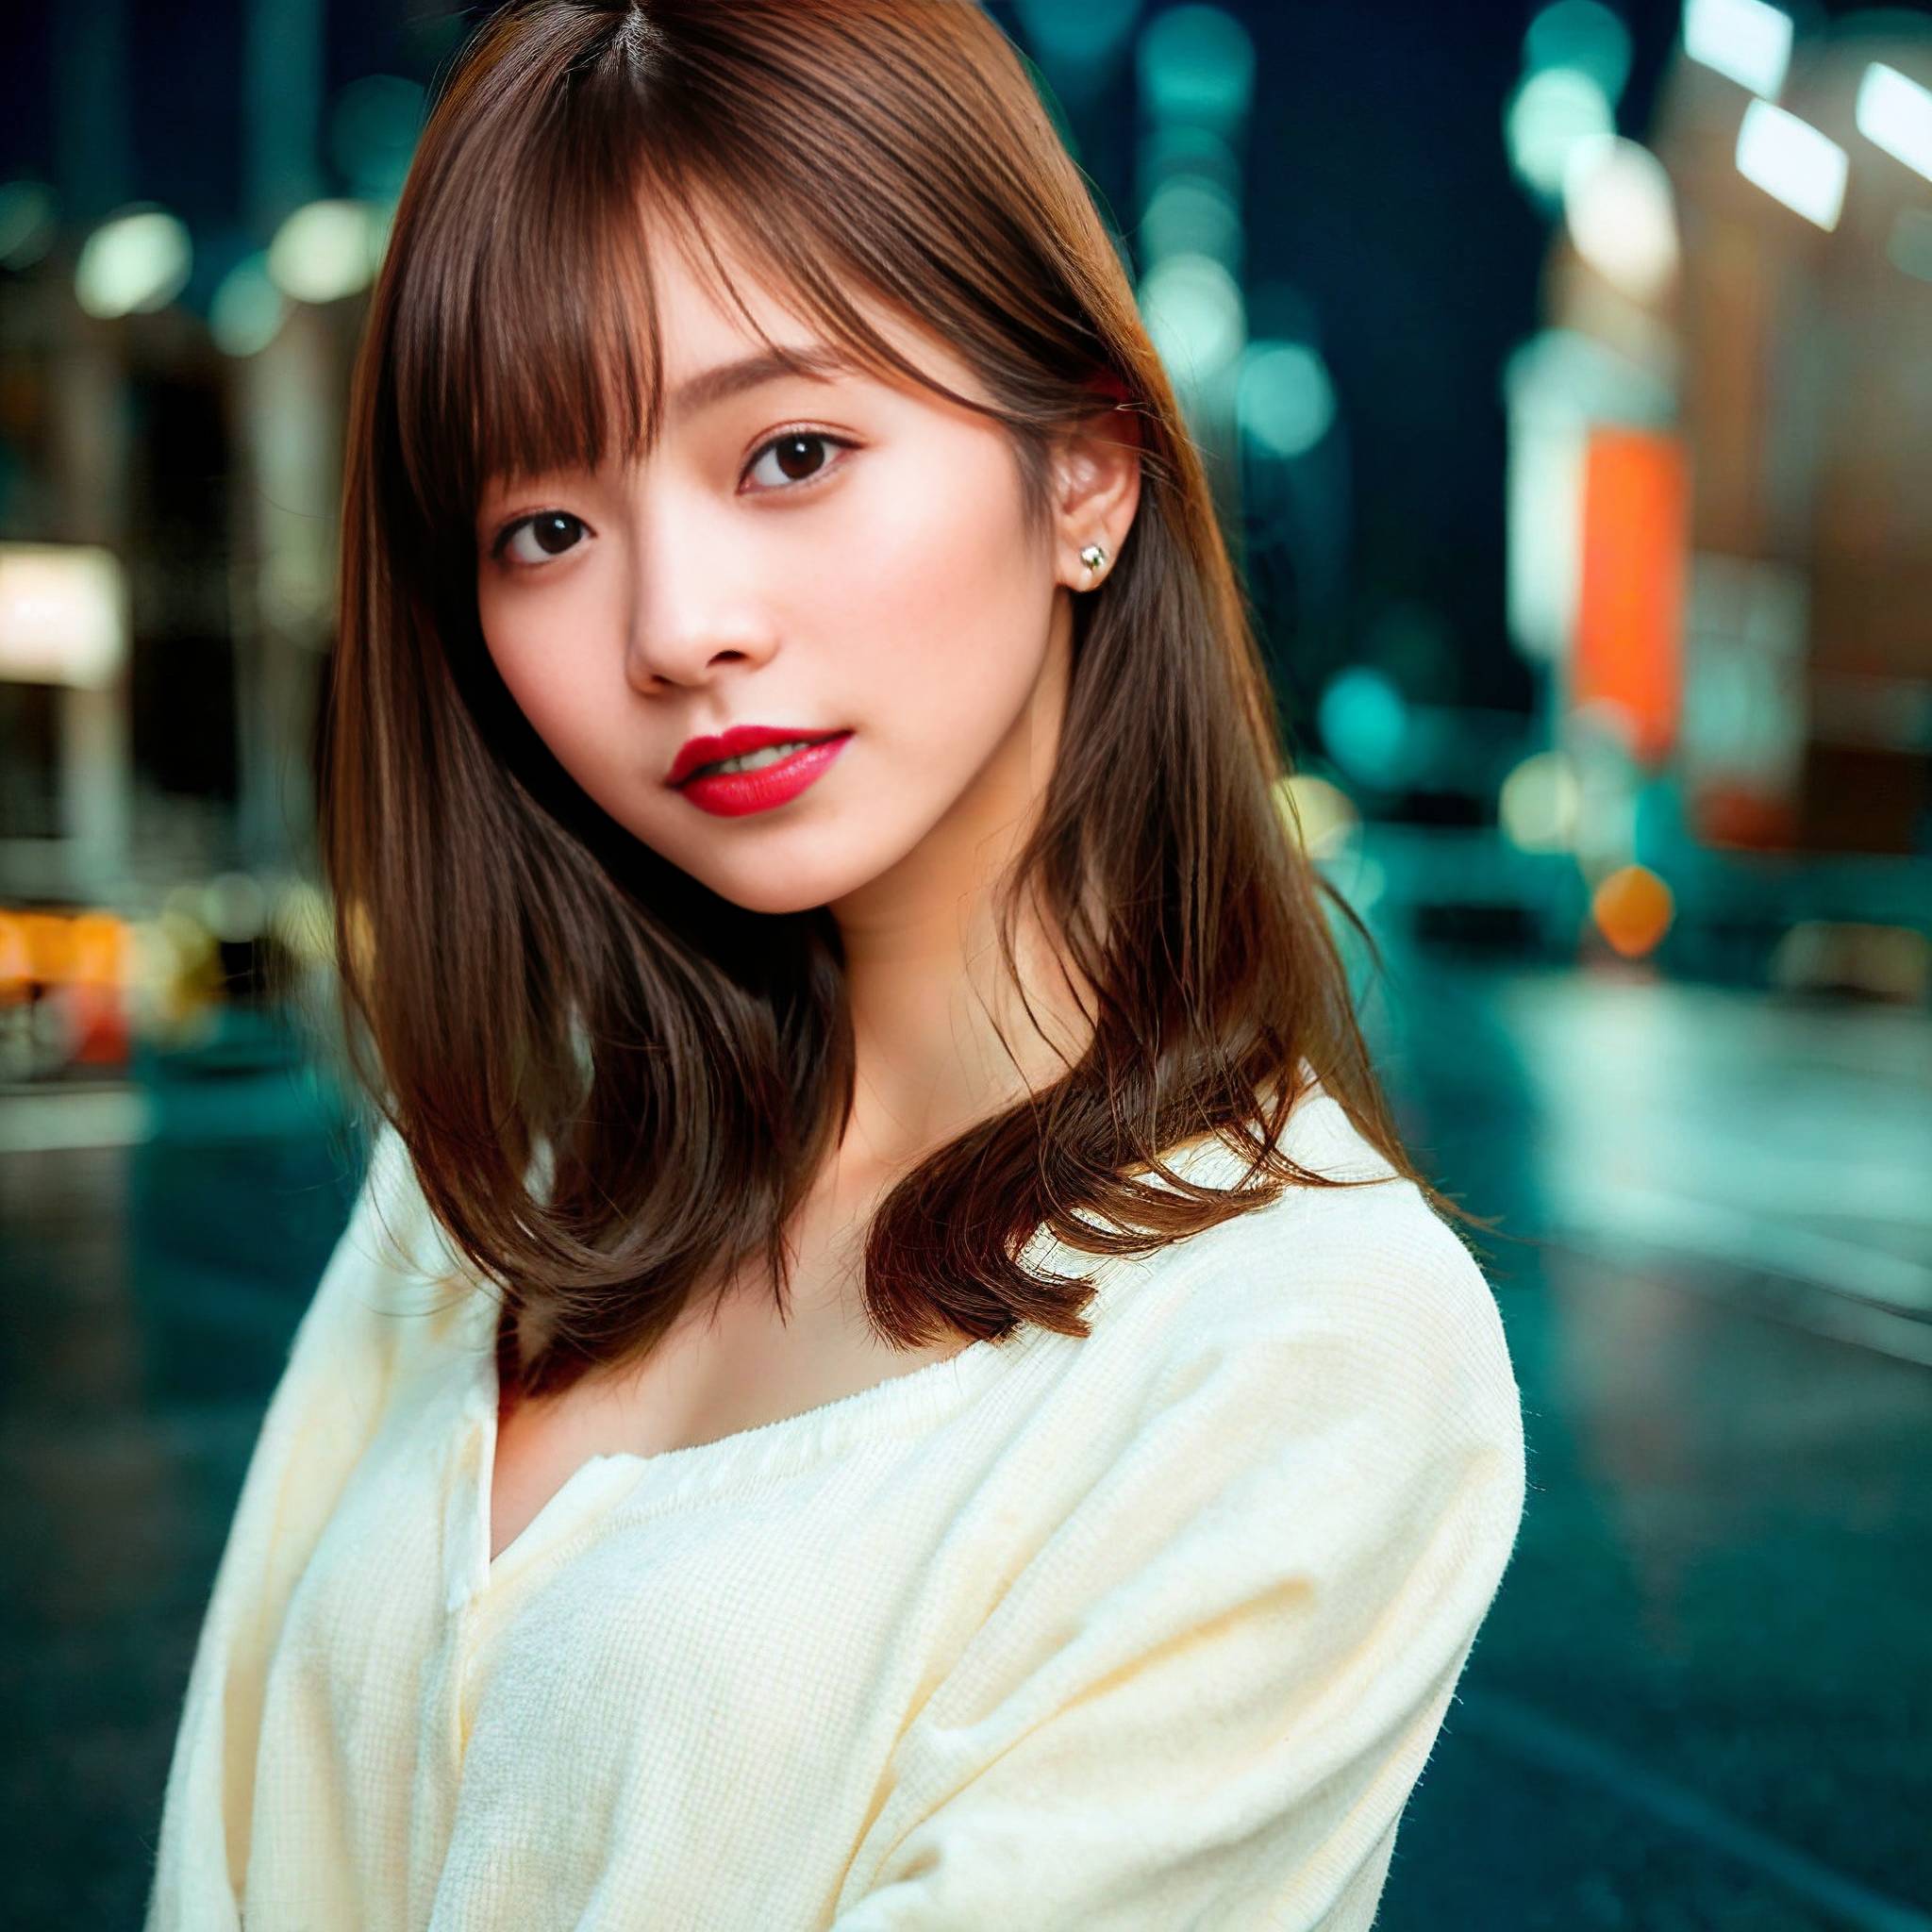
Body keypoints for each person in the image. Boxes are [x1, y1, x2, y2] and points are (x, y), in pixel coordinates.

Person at [143, 2, 1528, 1925]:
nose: (676, 624)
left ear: (1087, 476)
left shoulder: (1301, 1342)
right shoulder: (494, 1180)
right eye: (545, 524)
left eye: (788, 450)